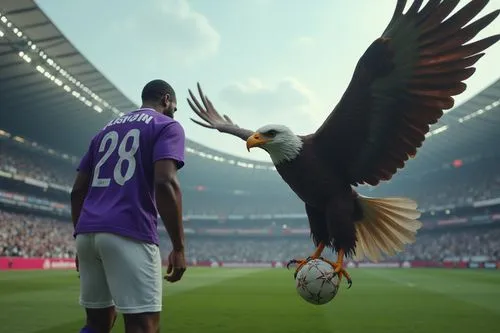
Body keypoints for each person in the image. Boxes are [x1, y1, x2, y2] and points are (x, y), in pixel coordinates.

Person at [70, 79, 187, 333]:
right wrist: (178, 247)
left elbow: (78, 190)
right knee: (142, 326)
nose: (173, 113)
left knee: (97, 324)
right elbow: (165, 181)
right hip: (129, 230)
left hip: (87, 233)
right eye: (174, 108)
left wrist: (80, 238)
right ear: (166, 100)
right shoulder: (167, 125)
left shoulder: (103, 132)